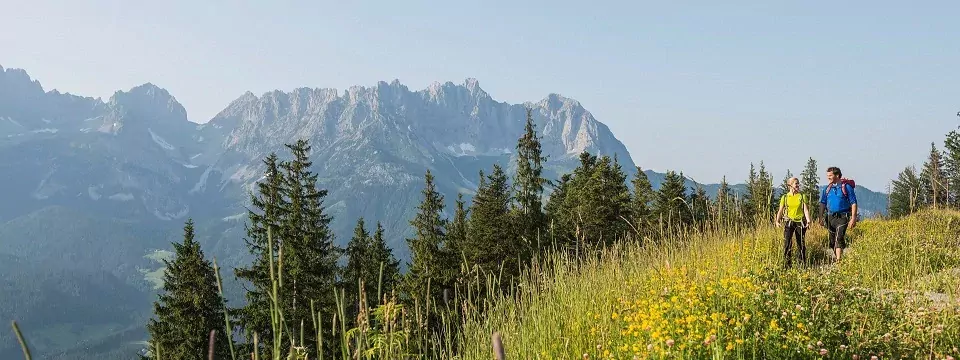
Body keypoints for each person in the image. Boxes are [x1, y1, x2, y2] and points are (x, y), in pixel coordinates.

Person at [820, 166, 857, 263]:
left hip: (843, 216)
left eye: (830, 175)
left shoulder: (846, 187)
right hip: (830, 217)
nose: (828, 177)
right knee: (832, 241)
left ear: (837, 175)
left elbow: (853, 203)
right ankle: (839, 254)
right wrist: (820, 217)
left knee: (838, 237)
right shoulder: (827, 189)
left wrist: (853, 218)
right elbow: (822, 203)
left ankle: (838, 260)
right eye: (827, 175)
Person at [776, 177, 811, 268]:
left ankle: (802, 264)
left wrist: (808, 220)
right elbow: (780, 210)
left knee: (801, 243)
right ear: (790, 185)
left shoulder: (802, 196)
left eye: (798, 183)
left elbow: (805, 210)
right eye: (796, 183)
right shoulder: (785, 197)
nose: (798, 185)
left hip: (800, 222)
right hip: (789, 222)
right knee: (787, 243)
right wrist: (777, 221)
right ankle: (787, 265)